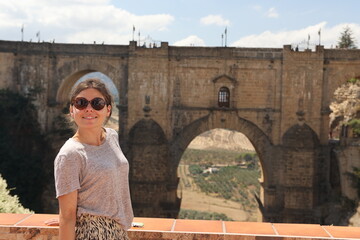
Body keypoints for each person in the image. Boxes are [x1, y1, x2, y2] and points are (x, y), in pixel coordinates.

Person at [52, 78, 133, 240]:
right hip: (92, 235)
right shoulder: (70, 154)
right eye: (81, 103)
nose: (89, 109)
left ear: (108, 110)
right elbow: (67, 216)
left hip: (117, 233)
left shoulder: (111, 137)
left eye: (97, 103)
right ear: (72, 109)